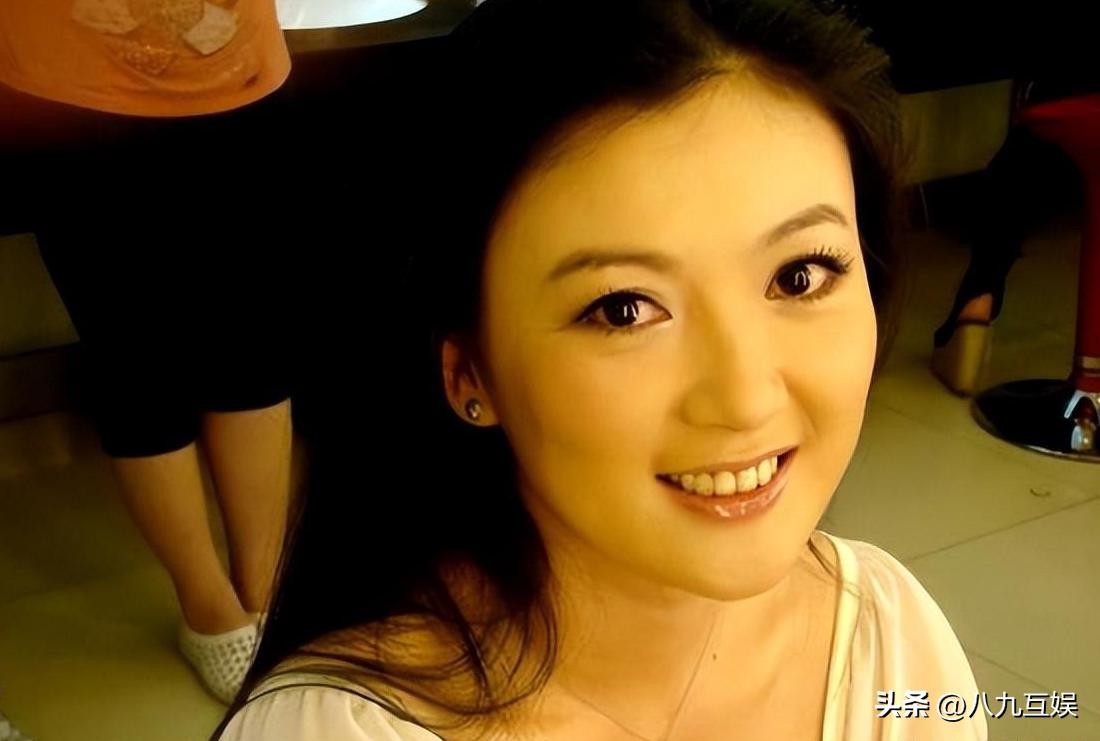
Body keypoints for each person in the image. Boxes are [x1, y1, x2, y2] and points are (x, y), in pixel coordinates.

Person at [214, 0, 988, 738]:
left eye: (800, 275)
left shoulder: (891, 638)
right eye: (623, 309)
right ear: (469, 372)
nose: (745, 398)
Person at [0, 0, 295, 704]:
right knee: (137, 361)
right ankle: (210, 611)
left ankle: (268, 594)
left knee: (253, 345)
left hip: (240, 71)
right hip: (72, 92)